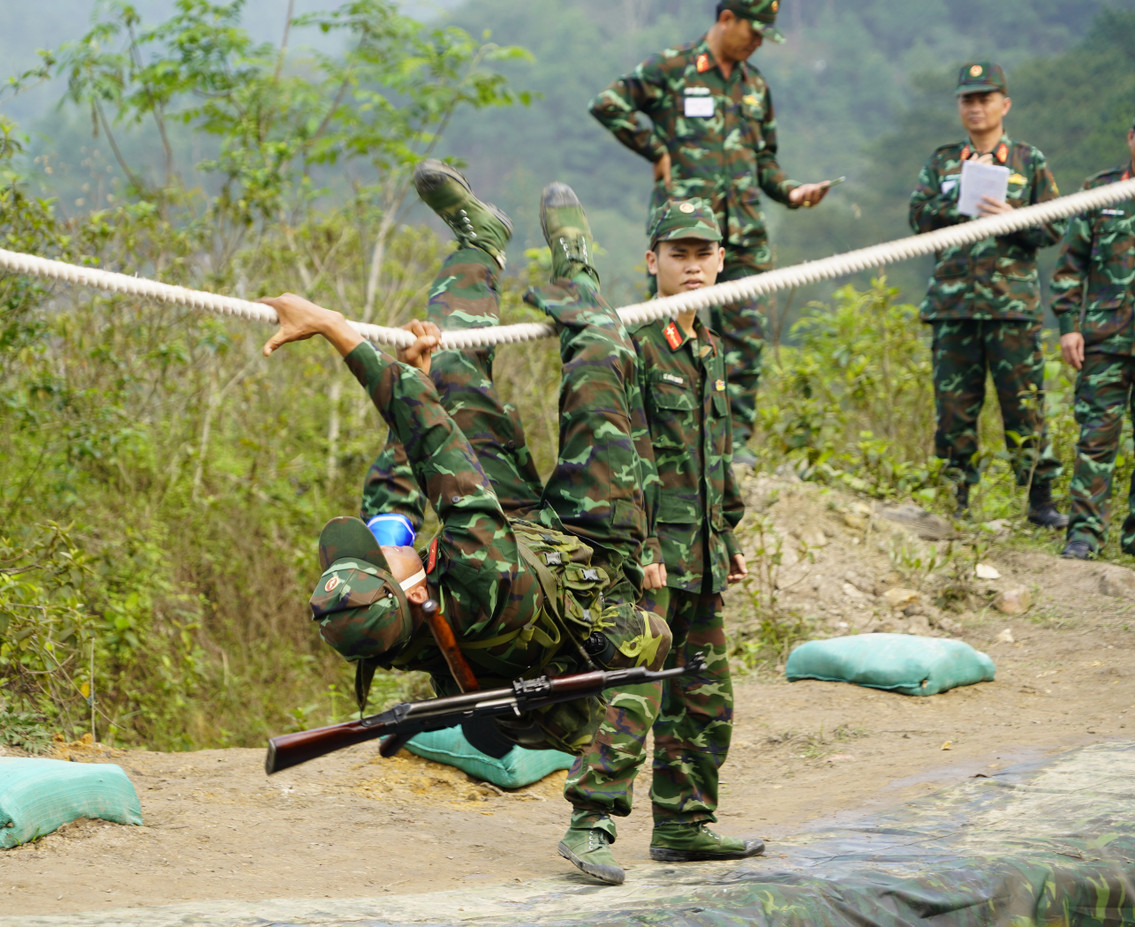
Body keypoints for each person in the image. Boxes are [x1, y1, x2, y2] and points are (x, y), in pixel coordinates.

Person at [263, 161, 671, 758]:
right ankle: (577, 264)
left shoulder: (396, 624)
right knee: (598, 359)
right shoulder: (476, 574)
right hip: (589, 552)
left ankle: (480, 242)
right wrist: (335, 329)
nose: (381, 549)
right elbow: (438, 449)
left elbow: (407, 463)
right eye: (381, 561)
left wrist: (417, 378)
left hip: (516, 536)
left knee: (448, 371)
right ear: (409, 590)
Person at [557, 199, 761, 885]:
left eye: (704, 252)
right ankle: (590, 821)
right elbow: (625, 451)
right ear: (652, 261)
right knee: (636, 688)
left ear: (722, 260)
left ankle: (683, 822)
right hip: (648, 559)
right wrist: (637, 546)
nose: (693, 263)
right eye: (679, 252)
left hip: (699, 556)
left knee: (705, 695)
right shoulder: (634, 342)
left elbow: (711, 452)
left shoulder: (707, 347)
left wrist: (726, 528)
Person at [589, 0, 832, 466]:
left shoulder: (754, 85)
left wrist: (793, 192)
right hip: (681, 234)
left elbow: (765, 163)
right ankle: (663, 438)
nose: (758, 42)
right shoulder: (673, 67)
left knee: (745, 339)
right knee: (665, 332)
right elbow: (607, 103)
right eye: (753, 31)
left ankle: (733, 445)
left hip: (740, 233)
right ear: (726, 20)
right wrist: (654, 149)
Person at [908, 62, 1067, 527]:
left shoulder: (1028, 161)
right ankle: (956, 502)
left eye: (985, 98)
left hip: (1011, 309)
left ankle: (1040, 501)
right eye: (967, 100)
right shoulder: (942, 162)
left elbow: (1056, 226)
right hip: (953, 306)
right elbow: (917, 217)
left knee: (1025, 404)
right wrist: (957, 199)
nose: (976, 107)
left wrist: (1013, 214)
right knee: (954, 411)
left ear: (1004, 104)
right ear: (959, 107)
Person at [1051, 97, 1135, 562]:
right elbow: (1070, 265)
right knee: (1095, 440)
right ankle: (1085, 534)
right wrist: (1069, 326)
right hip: (1104, 342)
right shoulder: (1101, 191)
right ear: (1131, 137)